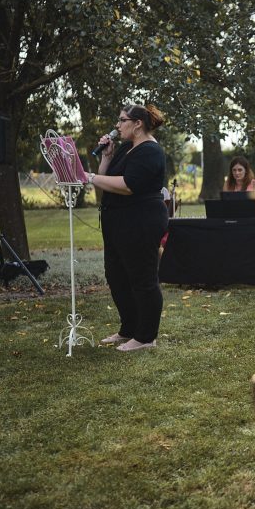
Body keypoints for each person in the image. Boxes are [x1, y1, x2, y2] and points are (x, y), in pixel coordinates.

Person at [88, 104, 169, 352]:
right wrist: (107, 157)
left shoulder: (150, 152)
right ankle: (129, 329)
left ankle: (145, 337)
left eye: (122, 120)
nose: (117, 125)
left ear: (138, 124)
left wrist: (88, 177)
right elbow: (106, 181)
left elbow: (127, 185)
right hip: (117, 222)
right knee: (117, 276)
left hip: (141, 221)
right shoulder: (125, 149)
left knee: (142, 278)